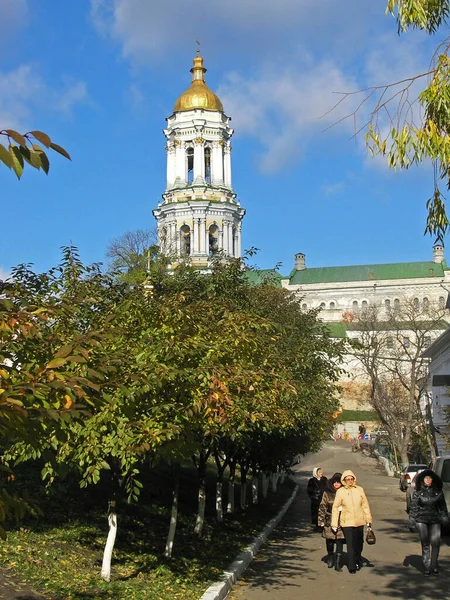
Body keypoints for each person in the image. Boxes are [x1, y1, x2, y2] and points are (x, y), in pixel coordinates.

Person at [408, 469, 449, 576]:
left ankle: (434, 565)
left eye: (430, 478)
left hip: (435, 520)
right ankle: (427, 566)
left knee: (435, 543)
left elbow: (443, 508)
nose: (428, 480)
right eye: (426, 478)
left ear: (433, 479)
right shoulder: (418, 492)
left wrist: (445, 519)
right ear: (422, 479)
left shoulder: (438, 492)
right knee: (425, 543)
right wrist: (412, 521)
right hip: (421, 520)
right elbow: (414, 508)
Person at [331, 470, 372, 574]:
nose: (349, 481)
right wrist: (334, 524)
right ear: (344, 480)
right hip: (347, 522)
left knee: (359, 544)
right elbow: (335, 507)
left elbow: (365, 505)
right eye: (347, 479)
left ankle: (358, 560)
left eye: (351, 479)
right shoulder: (341, 491)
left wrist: (368, 520)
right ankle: (352, 566)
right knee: (350, 544)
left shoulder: (359, 490)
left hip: (359, 521)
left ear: (354, 479)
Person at [318, 472, 346, 571]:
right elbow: (322, 507)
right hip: (329, 520)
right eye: (334, 482)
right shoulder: (327, 493)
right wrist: (320, 521)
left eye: (338, 482)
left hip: (341, 520)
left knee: (339, 541)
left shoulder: (345, 493)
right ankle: (330, 557)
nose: (336, 484)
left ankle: (338, 563)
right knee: (330, 541)